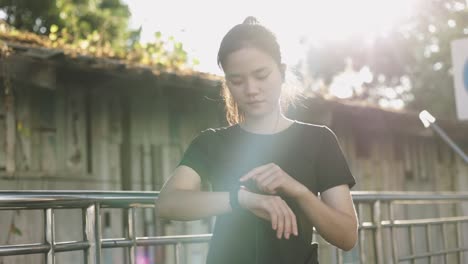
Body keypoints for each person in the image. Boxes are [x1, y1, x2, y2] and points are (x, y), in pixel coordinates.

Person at [157, 16, 358, 264]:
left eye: (261, 75)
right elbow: (167, 203)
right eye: (237, 80)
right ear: (227, 83)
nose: (251, 89)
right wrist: (240, 199)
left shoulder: (319, 140)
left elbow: (347, 236)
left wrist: (300, 192)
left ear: (282, 72)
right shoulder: (211, 142)